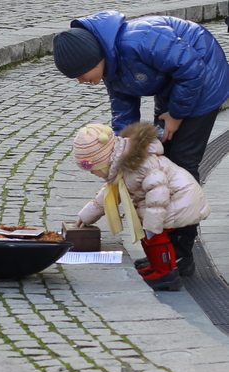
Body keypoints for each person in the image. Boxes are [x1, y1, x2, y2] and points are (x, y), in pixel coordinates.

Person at [53, 11, 229, 273]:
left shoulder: (140, 39)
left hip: (204, 80)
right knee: (157, 161)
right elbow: (124, 113)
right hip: (174, 86)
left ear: (93, 58)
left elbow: (192, 70)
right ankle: (164, 249)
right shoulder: (111, 67)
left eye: (80, 73)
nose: (81, 81)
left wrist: (177, 115)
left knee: (180, 162)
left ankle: (181, 252)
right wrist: (124, 154)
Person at [72, 122, 210, 291]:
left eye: (95, 169)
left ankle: (167, 274)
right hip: (168, 201)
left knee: (155, 237)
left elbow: (158, 192)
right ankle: (157, 266)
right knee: (148, 235)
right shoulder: (121, 166)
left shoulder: (140, 165)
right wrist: (86, 216)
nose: (94, 174)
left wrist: (153, 224)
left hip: (180, 200)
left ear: (105, 160)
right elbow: (107, 196)